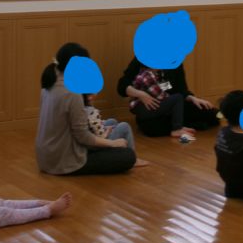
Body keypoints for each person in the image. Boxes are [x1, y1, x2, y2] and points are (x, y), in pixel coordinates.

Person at [37, 43, 137, 175]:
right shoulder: (72, 92)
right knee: (128, 156)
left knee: (111, 124)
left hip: (45, 158)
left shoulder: (50, 82)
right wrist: (112, 143)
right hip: (65, 161)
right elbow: (83, 137)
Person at [117, 56, 219, 139]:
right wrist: (141, 94)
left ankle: (178, 125)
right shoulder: (143, 59)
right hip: (152, 109)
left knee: (212, 114)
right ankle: (180, 126)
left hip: (170, 105)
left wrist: (193, 98)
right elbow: (122, 87)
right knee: (151, 127)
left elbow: (181, 91)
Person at [84, 93, 149, 166]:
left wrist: (104, 126)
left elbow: (92, 125)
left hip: (90, 138)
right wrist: (107, 131)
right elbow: (101, 136)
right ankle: (134, 160)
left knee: (112, 121)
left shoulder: (82, 108)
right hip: (95, 144)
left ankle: (117, 150)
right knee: (125, 126)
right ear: (89, 97)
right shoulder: (91, 112)